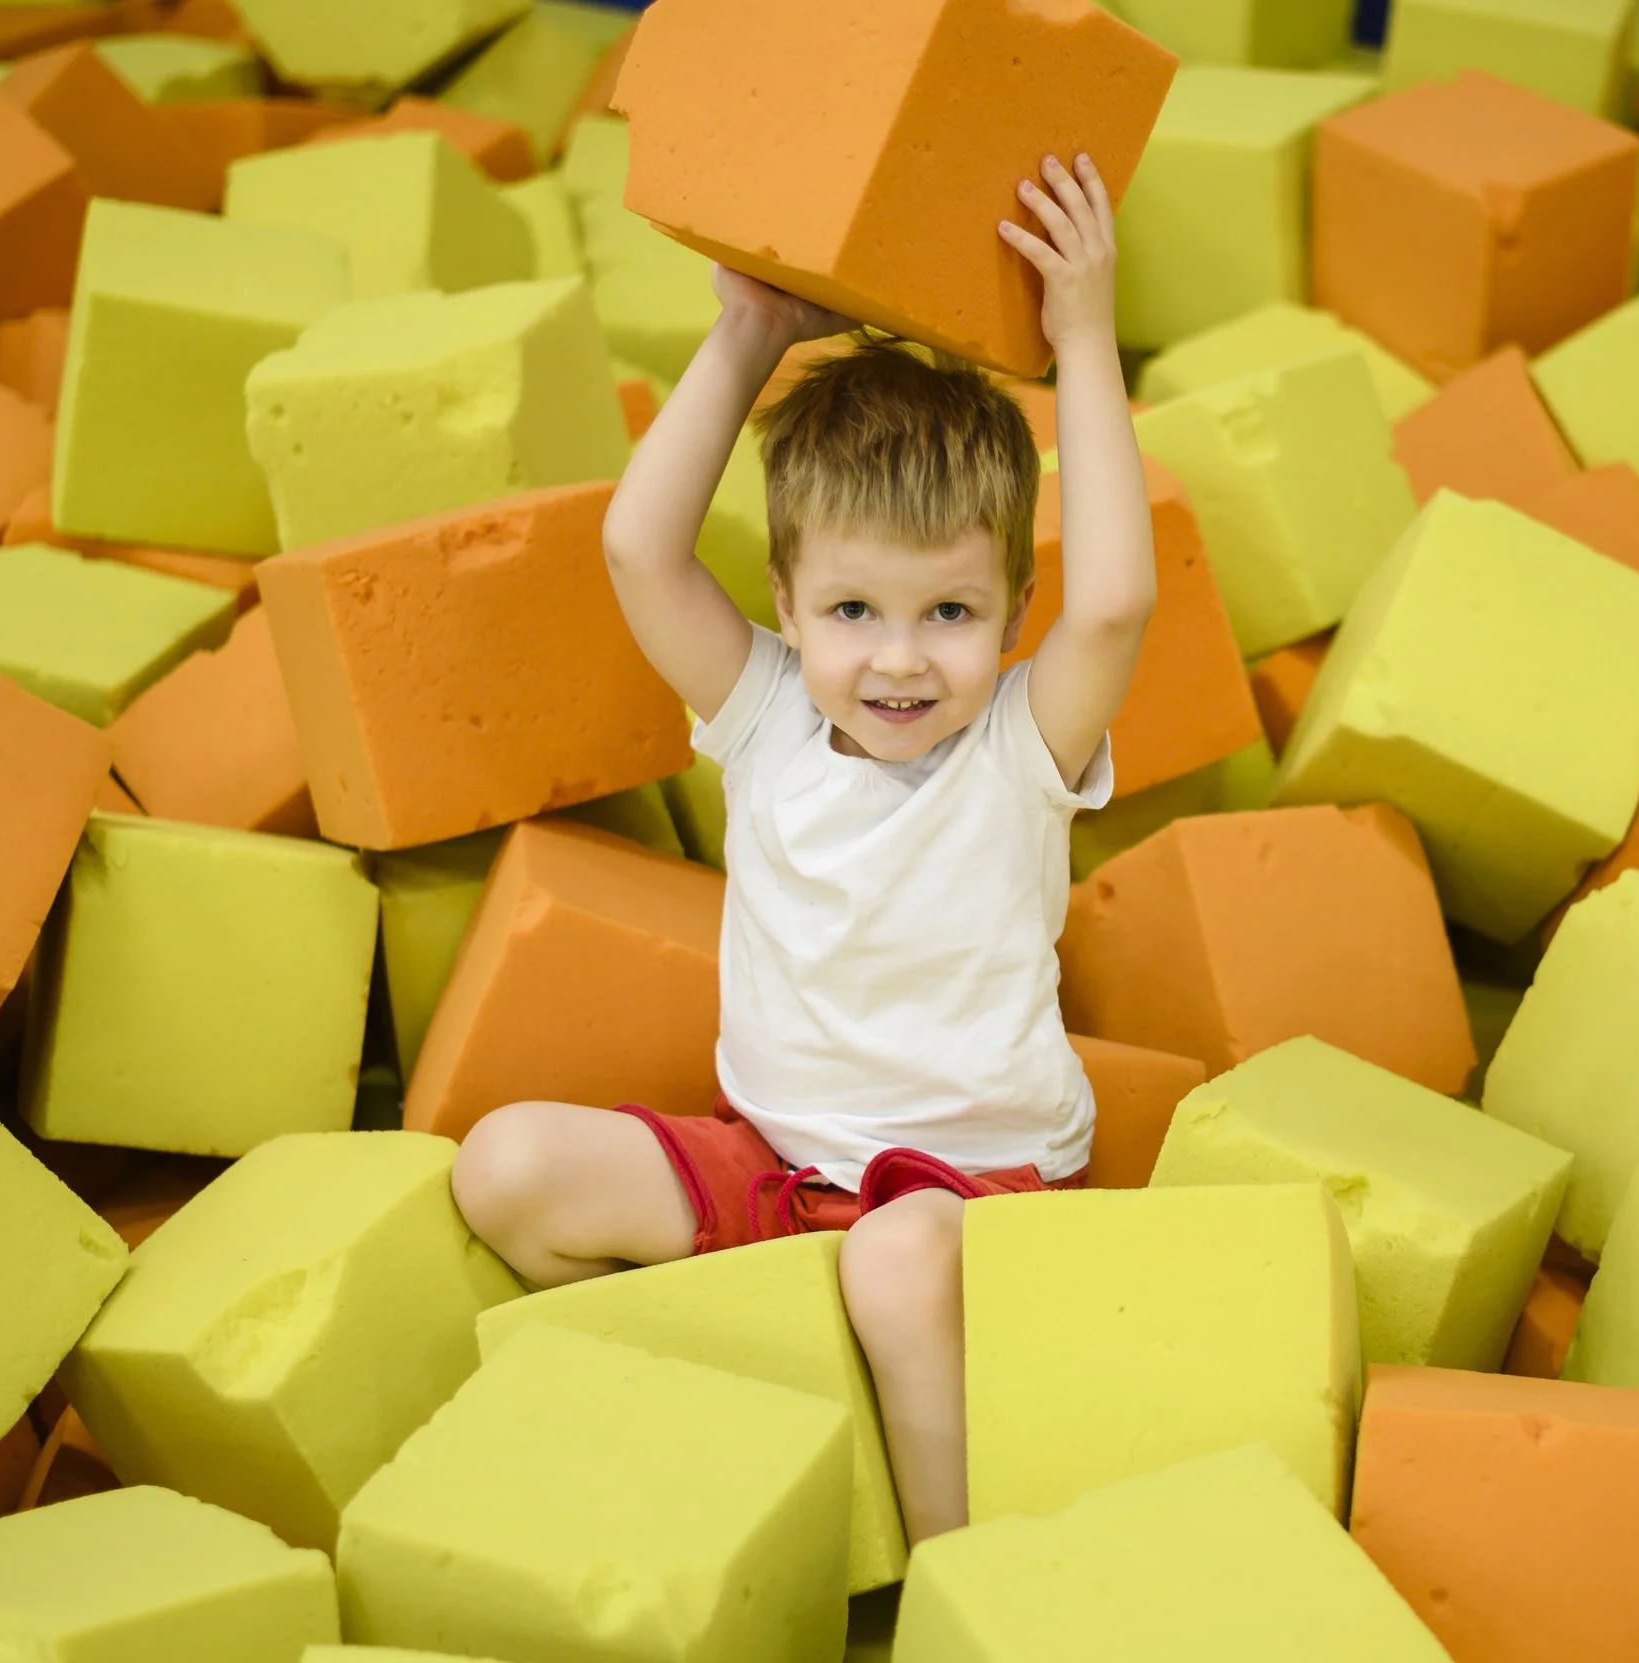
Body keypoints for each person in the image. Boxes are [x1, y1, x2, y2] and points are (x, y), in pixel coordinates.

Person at [449, 153, 1153, 1546]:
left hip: (972, 1197)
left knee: (895, 1266)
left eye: (951, 611)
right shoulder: (765, 710)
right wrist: (747, 332)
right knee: (505, 1164)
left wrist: (1082, 335)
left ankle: (953, 1566)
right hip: (774, 1173)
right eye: (851, 610)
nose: (899, 658)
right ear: (784, 602)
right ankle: (743, 1429)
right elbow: (640, 548)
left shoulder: (1021, 745)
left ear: (1016, 608)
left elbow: (1121, 600)